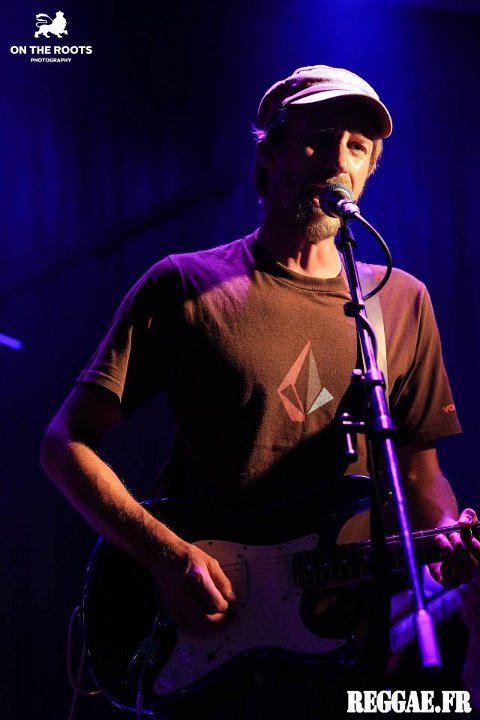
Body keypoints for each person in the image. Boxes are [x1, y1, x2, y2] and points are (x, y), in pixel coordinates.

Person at [41, 65, 479, 719]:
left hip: (346, 643)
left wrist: (444, 532)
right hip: (212, 629)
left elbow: (420, 472)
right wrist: (165, 555)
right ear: (269, 151)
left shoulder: (402, 300)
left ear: (370, 170)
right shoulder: (185, 286)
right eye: (318, 137)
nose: (337, 159)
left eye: (357, 146)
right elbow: (65, 444)